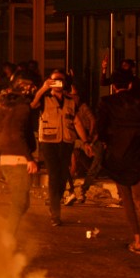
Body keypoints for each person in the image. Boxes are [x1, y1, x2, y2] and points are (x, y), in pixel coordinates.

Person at [96, 71, 140, 254]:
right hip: (137, 151)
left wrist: (103, 141)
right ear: (131, 85)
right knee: (138, 196)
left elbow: (100, 128)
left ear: (114, 86)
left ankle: (137, 239)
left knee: (126, 198)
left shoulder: (107, 102)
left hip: (117, 154)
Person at [0, 75, 39, 236]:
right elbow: (16, 134)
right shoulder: (22, 109)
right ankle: (6, 241)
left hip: (6, 159)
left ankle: (6, 234)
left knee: (22, 204)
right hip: (18, 161)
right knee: (20, 204)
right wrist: (29, 159)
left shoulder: (5, 107)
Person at [31, 69, 79, 226]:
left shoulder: (70, 100)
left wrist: (85, 141)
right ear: (49, 81)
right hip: (49, 142)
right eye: (54, 80)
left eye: (61, 80)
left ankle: (53, 203)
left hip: (66, 141)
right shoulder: (44, 98)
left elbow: (76, 121)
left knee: (63, 176)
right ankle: (55, 215)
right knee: (54, 176)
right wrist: (43, 88)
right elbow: (32, 104)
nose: (58, 82)